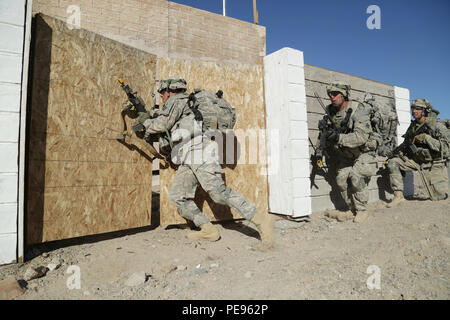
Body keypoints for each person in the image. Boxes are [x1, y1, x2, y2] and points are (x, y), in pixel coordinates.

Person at [137, 78, 275, 251]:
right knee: (178, 196)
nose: (161, 97)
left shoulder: (177, 100)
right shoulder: (179, 104)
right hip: (187, 155)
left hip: (199, 150)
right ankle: (208, 229)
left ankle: (261, 219)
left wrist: (145, 121)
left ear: (169, 91)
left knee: (218, 193)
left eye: (162, 93)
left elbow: (162, 124)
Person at [319, 83, 380, 223]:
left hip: (364, 152)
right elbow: (324, 134)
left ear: (344, 94)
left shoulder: (358, 109)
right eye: (330, 94)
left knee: (356, 178)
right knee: (340, 180)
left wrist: (338, 137)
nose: (332, 97)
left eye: (335, 93)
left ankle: (362, 210)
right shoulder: (330, 112)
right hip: (347, 153)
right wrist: (321, 146)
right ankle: (352, 209)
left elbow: (361, 137)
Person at [386, 98, 449, 207]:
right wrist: (397, 152)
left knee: (439, 198)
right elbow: (407, 143)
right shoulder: (412, 127)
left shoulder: (436, 125)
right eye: (413, 108)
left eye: (418, 109)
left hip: (432, 163)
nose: (414, 111)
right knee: (393, 162)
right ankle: (399, 196)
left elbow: (446, 149)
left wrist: (426, 138)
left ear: (425, 111)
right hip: (415, 161)